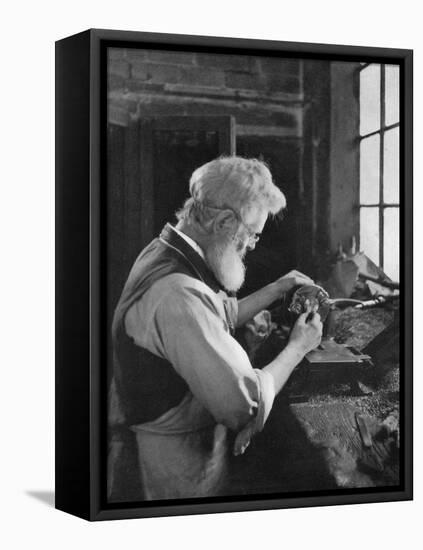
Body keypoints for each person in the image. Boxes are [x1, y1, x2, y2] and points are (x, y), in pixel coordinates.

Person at [108, 156, 322, 501]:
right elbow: (243, 405)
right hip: (178, 460)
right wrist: (298, 347)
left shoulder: (166, 250)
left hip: (172, 437)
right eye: (252, 235)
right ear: (224, 221)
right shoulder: (178, 294)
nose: (251, 246)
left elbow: (213, 314)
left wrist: (277, 288)